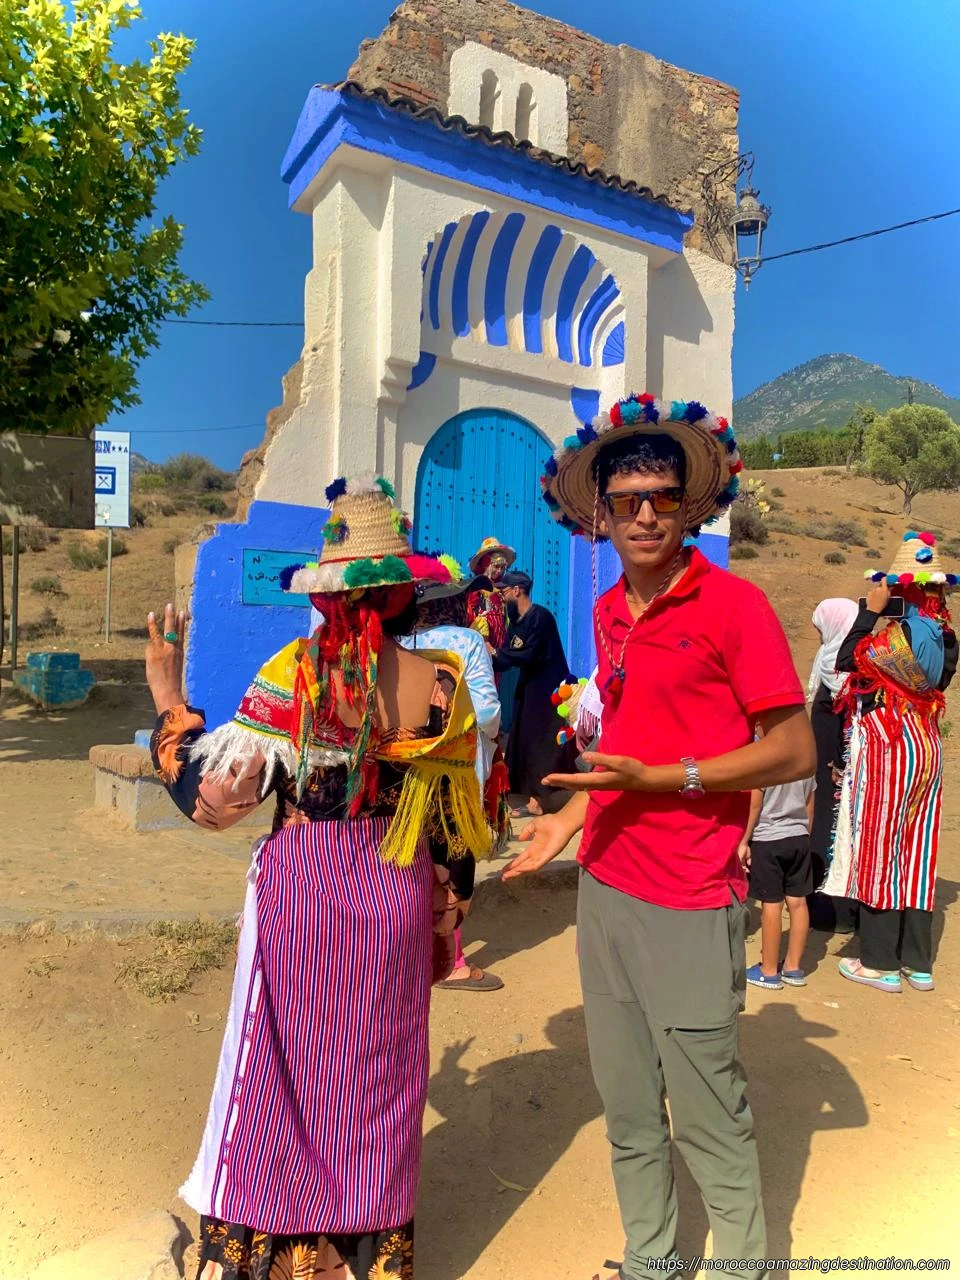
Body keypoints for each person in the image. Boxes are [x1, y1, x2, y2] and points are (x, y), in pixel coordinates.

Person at [145, 475, 490, 1280]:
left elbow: (214, 803)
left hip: (303, 898)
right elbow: (457, 832)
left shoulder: (296, 675)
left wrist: (169, 700)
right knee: (378, 1078)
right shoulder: (443, 686)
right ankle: (361, 1256)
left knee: (282, 1076)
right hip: (393, 896)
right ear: (404, 593)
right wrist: (444, 923)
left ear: (326, 594)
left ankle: (282, 1256)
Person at [506, 393, 814, 1278]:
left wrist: (671, 778)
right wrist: (571, 818)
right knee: (631, 1111)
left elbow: (794, 749)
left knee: (711, 1116)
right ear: (599, 514)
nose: (646, 515)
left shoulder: (735, 607)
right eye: (628, 500)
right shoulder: (608, 612)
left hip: (689, 895)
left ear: (690, 507)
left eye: (663, 498)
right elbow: (623, 752)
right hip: (605, 889)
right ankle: (649, 1260)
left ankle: (739, 1267)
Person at [829, 532, 958, 994]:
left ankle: (879, 962)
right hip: (926, 743)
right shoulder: (947, 636)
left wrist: (870, 613)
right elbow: (937, 683)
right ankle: (917, 963)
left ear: (905, 588)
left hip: (892, 744)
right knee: (917, 849)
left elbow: (848, 658)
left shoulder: (900, 635)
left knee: (882, 846)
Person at [399, 565, 508, 992]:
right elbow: (487, 711)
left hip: (404, 772)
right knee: (453, 859)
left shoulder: (398, 640)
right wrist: (493, 738)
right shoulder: (465, 641)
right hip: (455, 776)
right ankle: (450, 961)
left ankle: (406, 956)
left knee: (412, 861)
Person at [493, 569, 570, 818]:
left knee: (541, 742)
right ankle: (527, 792)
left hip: (548, 689)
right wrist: (489, 656)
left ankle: (539, 801)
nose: (502, 597)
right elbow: (507, 656)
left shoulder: (541, 617)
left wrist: (496, 653)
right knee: (523, 738)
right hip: (528, 687)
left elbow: (528, 653)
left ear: (517, 590)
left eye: (504, 591)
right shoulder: (516, 622)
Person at [806, 598, 859, 933]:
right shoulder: (856, 665)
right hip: (844, 773)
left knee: (828, 830)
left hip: (833, 774)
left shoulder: (837, 669)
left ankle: (828, 911)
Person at [740, 769, 815, 989]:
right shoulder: (806, 767)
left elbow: (754, 806)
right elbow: (810, 806)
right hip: (799, 837)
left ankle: (768, 969)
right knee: (798, 902)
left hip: (768, 838)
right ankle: (793, 967)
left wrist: (744, 840)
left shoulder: (765, 766)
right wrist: (805, 836)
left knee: (771, 903)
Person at [465, 537, 511, 653]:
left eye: (502, 568)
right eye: (496, 567)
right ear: (486, 565)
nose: (499, 571)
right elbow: (470, 614)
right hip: (483, 641)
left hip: (500, 641)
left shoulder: (502, 589)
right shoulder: (476, 587)